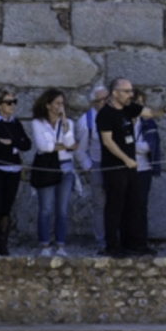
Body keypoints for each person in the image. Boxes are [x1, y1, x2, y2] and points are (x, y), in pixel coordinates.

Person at [96, 77, 159, 258]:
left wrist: (165, 109)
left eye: (131, 91)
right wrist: (126, 159)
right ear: (115, 93)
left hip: (130, 168)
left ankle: (134, 244)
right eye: (127, 91)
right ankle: (113, 246)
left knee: (135, 205)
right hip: (115, 168)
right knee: (115, 207)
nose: (130, 95)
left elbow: (149, 113)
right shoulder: (106, 114)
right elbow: (108, 142)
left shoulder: (128, 109)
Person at [0, 86, 30, 256]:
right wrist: (15, 146)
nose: (12, 105)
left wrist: (10, 144)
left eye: (13, 102)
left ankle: (2, 244)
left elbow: (27, 144)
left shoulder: (15, 123)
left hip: (13, 169)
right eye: (8, 102)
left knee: (6, 207)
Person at [31, 88, 76, 257]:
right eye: (57, 103)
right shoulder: (37, 123)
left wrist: (64, 123)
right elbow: (43, 147)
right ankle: (44, 245)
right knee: (46, 208)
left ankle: (61, 244)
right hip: (47, 168)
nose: (60, 107)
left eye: (62, 103)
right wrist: (64, 146)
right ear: (48, 105)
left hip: (66, 167)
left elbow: (70, 142)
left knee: (62, 209)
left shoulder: (68, 123)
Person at [74, 85, 110, 253]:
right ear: (92, 102)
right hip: (98, 164)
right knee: (100, 205)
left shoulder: (116, 114)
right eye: (99, 100)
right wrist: (90, 168)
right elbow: (80, 150)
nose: (103, 102)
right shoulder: (85, 121)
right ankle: (101, 241)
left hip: (117, 165)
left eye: (106, 99)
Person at [132, 88, 162, 256]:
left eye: (142, 103)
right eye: (137, 103)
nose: (140, 107)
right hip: (125, 169)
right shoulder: (122, 121)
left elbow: (151, 146)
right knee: (127, 207)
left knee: (141, 206)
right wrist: (137, 148)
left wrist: (134, 148)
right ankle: (126, 243)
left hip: (144, 168)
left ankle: (141, 243)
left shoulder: (149, 123)